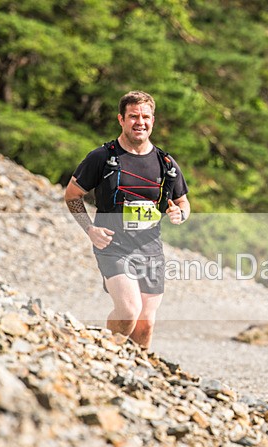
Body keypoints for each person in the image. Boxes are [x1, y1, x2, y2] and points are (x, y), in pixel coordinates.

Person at [64, 90, 190, 350]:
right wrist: (90, 229)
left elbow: (183, 202)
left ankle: (139, 369)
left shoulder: (166, 163)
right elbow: (72, 195)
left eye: (145, 116)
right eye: (133, 116)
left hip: (150, 248)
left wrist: (181, 214)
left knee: (146, 322)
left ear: (153, 120)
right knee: (129, 311)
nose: (139, 122)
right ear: (121, 119)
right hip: (112, 245)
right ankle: (109, 354)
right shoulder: (102, 157)